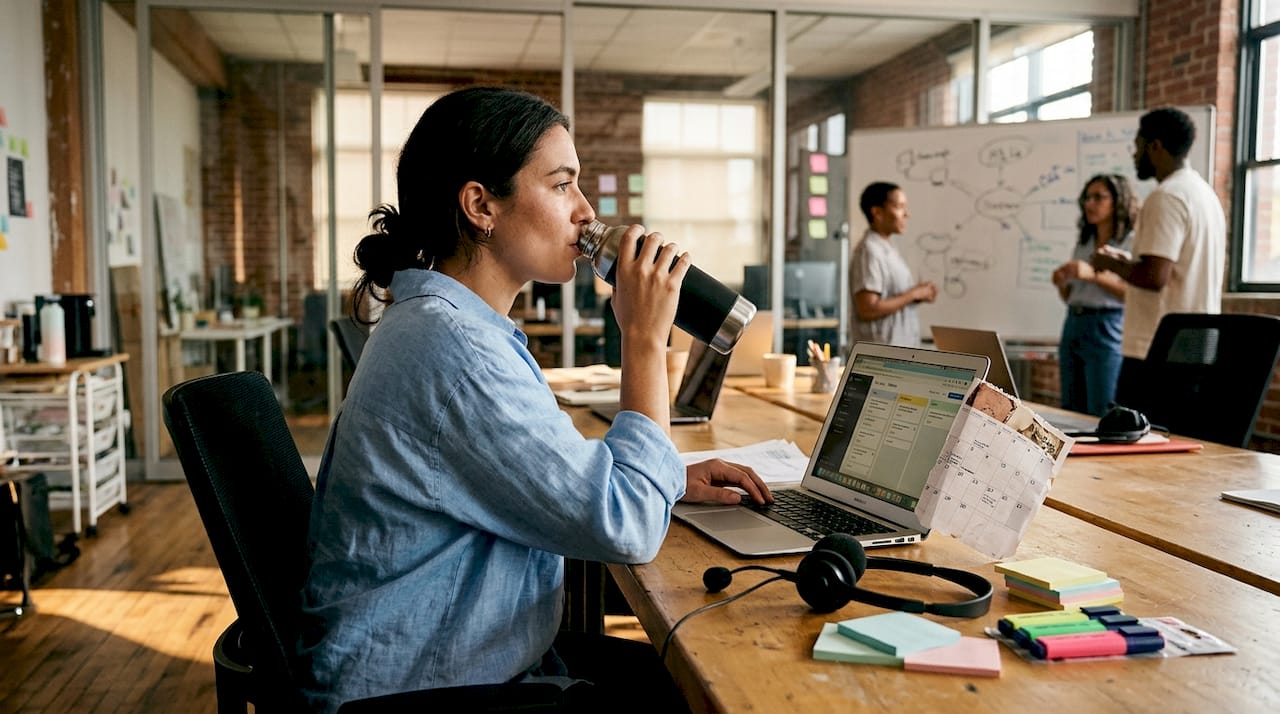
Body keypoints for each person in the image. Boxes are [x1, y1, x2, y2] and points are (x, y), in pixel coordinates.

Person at [297, 87, 772, 712]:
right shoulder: (455, 351)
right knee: (719, 677)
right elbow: (626, 526)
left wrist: (667, 478)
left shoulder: (448, 327)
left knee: (694, 668)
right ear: (480, 206)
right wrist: (644, 337)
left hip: (466, 658)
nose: (585, 212)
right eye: (561, 185)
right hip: (425, 689)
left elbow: (543, 477)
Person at [1090, 107, 1225, 402]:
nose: (1134, 155)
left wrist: (1108, 263)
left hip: (1157, 350)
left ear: (1155, 146)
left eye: (1137, 146)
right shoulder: (1204, 194)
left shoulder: (1166, 196)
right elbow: (1175, 267)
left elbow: (1154, 276)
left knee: (1139, 444)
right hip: (1195, 348)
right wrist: (1126, 261)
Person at [1051, 174, 1139, 416]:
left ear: (1117, 201)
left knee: (1101, 408)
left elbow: (1131, 295)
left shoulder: (1130, 241)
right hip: (1074, 322)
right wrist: (1062, 283)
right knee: (1069, 408)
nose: (1090, 203)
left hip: (1107, 325)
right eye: (1087, 197)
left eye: (1098, 197)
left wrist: (1093, 275)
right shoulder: (1085, 240)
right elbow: (1071, 296)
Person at [849, 181, 937, 347]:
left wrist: (916, 295)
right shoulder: (869, 250)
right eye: (899, 206)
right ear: (877, 212)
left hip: (899, 352)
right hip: (882, 356)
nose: (906, 214)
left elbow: (890, 299)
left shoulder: (887, 248)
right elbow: (867, 309)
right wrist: (912, 294)